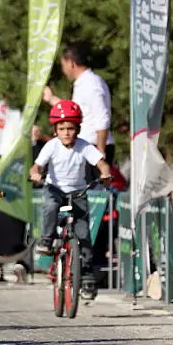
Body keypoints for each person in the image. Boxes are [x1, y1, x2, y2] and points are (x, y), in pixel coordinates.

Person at [30, 100, 112, 294]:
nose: (66, 133)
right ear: (55, 130)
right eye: (62, 128)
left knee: (83, 233)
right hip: (55, 188)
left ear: (78, 129)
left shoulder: (84, 147)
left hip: (78, 192)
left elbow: (102, 164)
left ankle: (87, 273)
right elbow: (38, 165)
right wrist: (36, 173)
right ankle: (47, 240)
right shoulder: (51, 146)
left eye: (70, 128)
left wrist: (105, 174)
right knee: (49, 207)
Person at [42, 44, 114, 176]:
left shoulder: (91, 84)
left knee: (94, 194)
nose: (63, 70)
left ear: (71, 63)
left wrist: (100, 151)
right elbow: (74, 111)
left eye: (63, 65)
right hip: (86, 147)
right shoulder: (83, 83)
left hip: (94, 147)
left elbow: (102, 118)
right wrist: (51, 98)